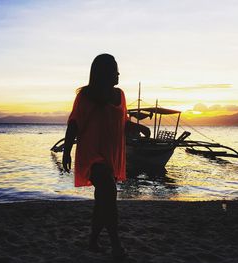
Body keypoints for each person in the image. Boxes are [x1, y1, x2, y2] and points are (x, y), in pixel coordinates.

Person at [62, 54, 150, 261]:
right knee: (109, 193)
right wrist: (66, 151)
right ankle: (116, 244)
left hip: (111, 156)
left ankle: (93, 241)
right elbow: (74, 123)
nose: (118, 74)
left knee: (103, 201)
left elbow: (122, 123)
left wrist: (139, 127)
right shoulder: (85, 96)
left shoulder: (120, 95)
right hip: (92, 155)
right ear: (103, 73)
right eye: (114, 70)